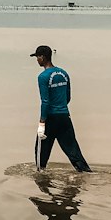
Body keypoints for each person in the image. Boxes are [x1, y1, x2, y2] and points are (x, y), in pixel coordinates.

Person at [30, 44, 91, 172]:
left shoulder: (43, 77)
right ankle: (86, 173)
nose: (37, 60)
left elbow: (45, 101)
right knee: (73, 151)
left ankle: (41, 179)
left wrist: (42, 122)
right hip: (64, 117)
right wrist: (60, 108)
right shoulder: (64, 73)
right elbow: (68, 97)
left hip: (50, 118)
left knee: (41, 154)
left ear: (43, 57)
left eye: (37, 57)